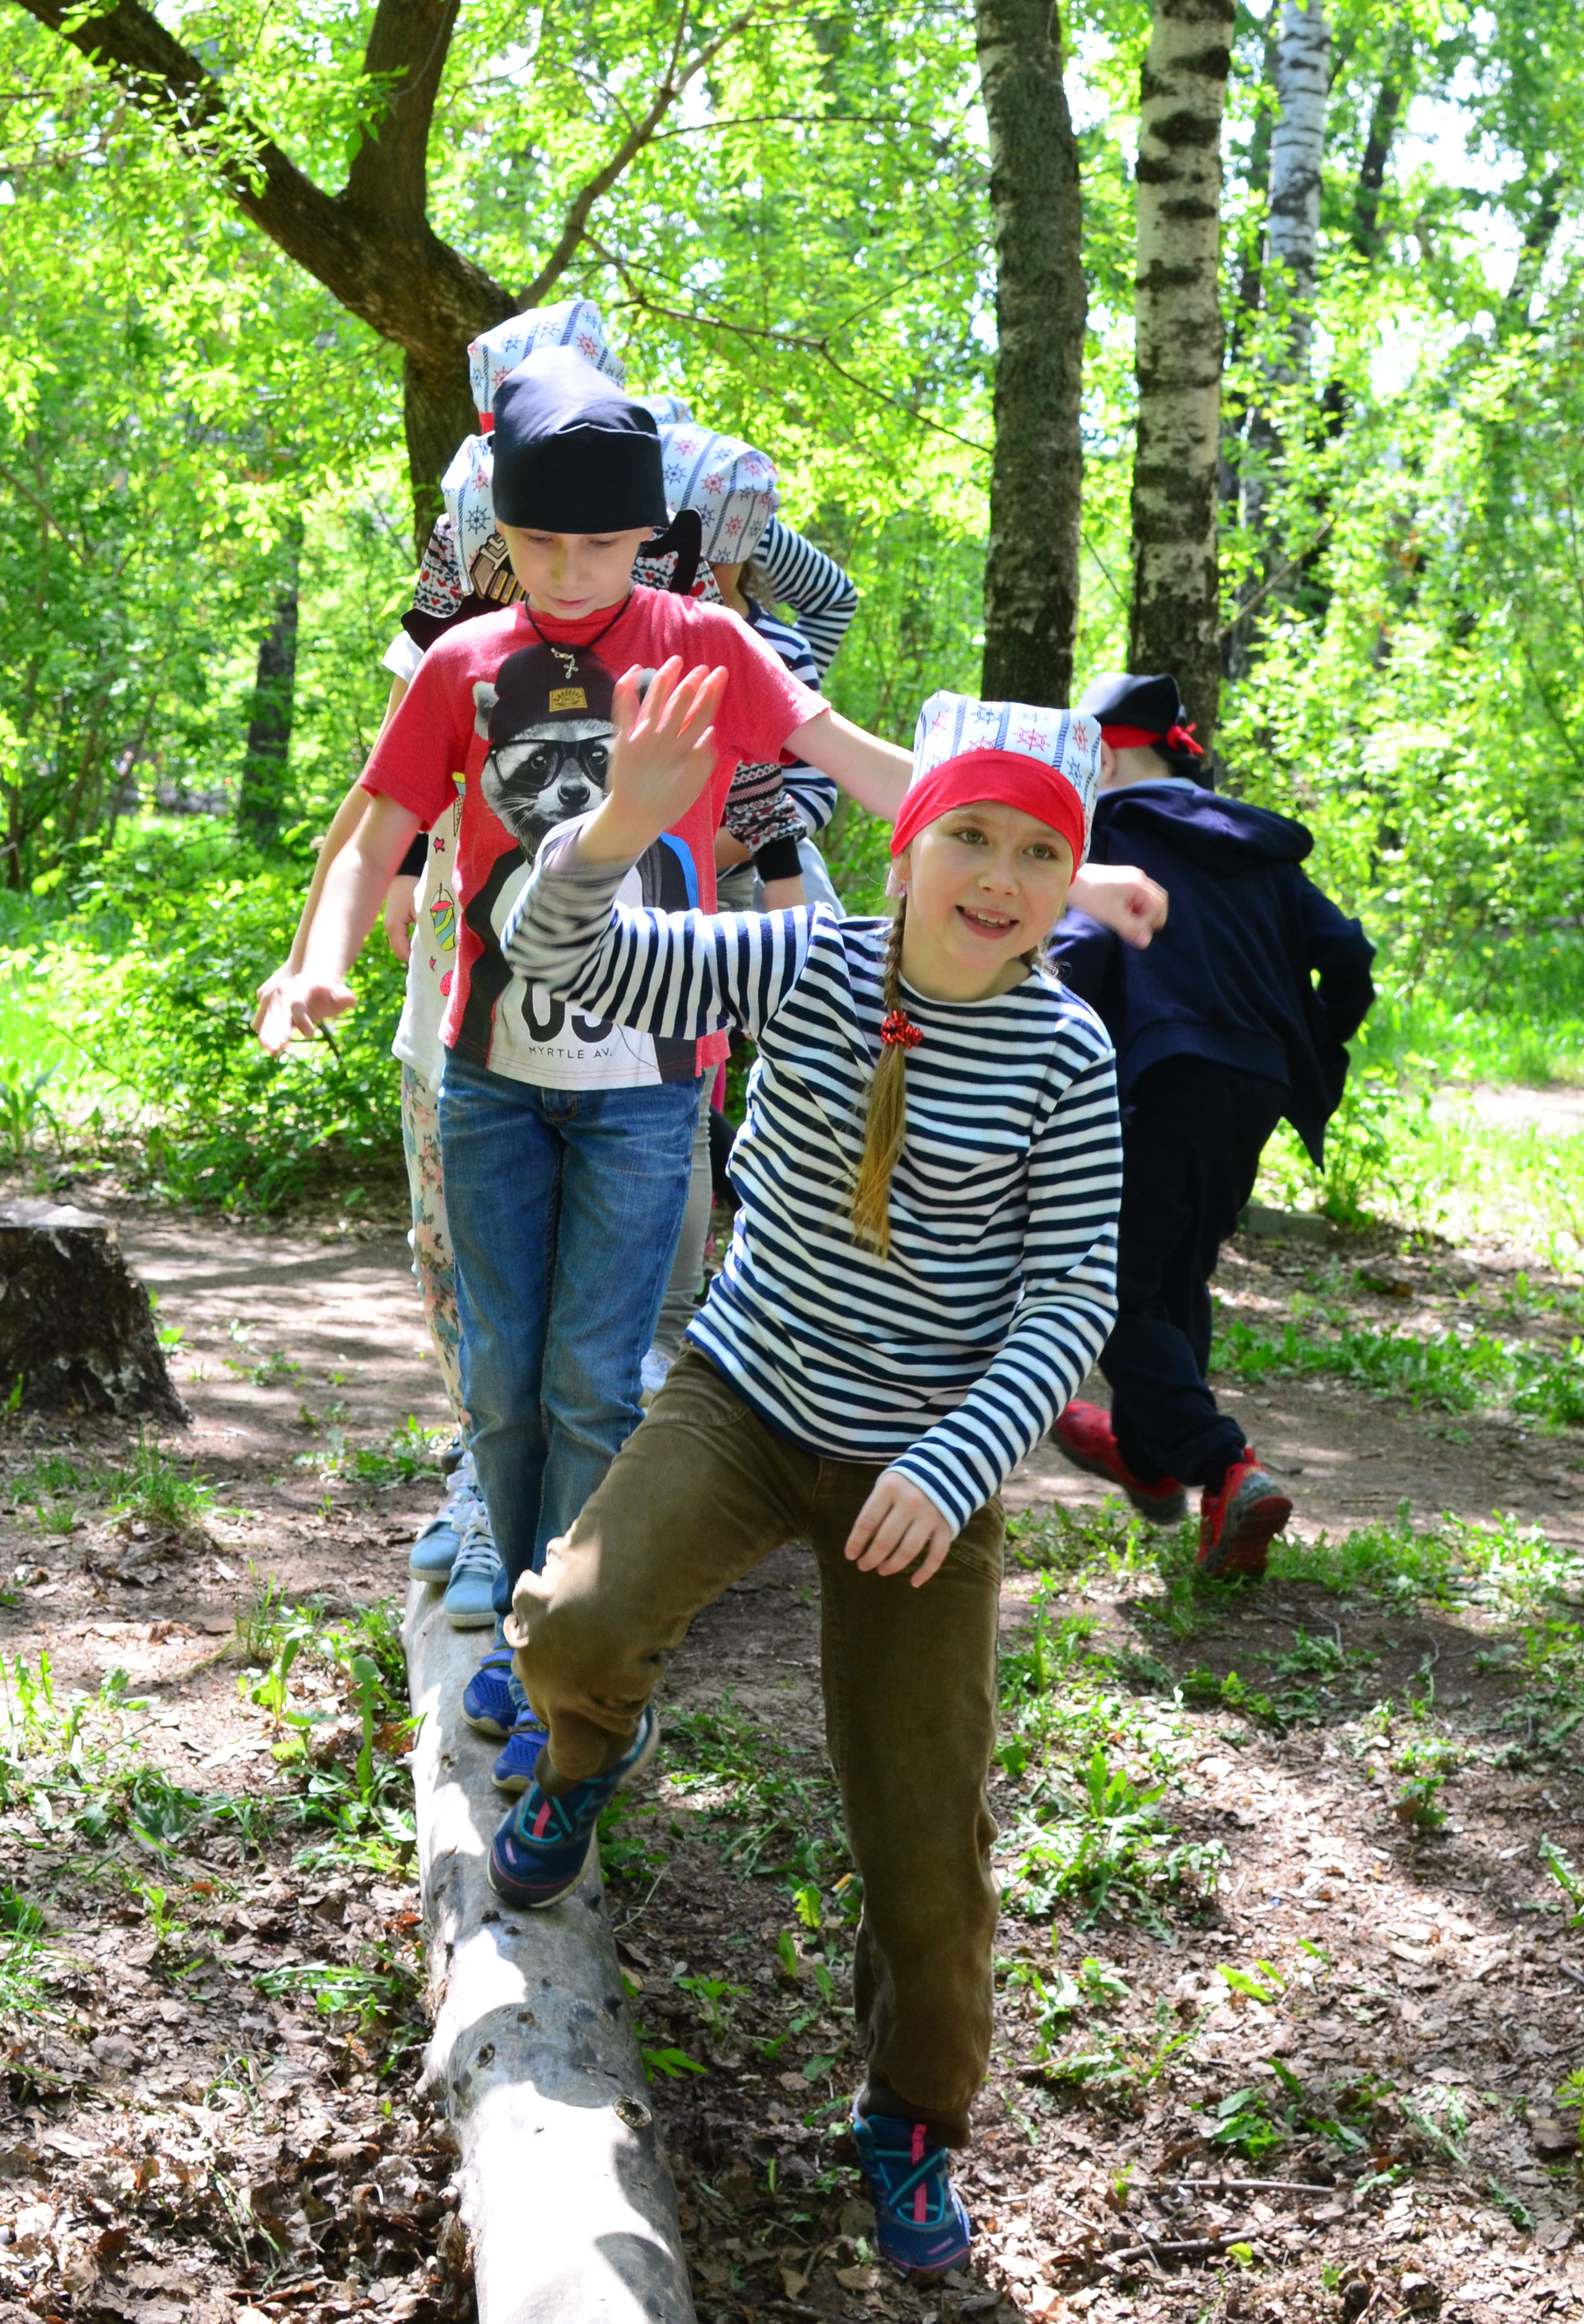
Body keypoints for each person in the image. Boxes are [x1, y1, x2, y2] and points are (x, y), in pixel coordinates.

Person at [485, 669, 1122, 2279]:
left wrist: (960, 1452)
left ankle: (909, 2114)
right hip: (749, 1395)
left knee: (926, 1843)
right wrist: (621, 824)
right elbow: (562, 960)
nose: (998, 879)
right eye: (966, 835)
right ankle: (584, 1753)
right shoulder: (808, 959)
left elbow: (1071, 1297)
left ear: (1071, 879)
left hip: (925, 1464)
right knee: (567, 1620)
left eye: (1038, 854)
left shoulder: (1067, 1051)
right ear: (906, 844)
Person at [261, 345, 934, 1802]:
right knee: (500, 1377)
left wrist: (1016, 818)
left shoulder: (702, 643)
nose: (567, 571)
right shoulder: (462, 662)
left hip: (647, 1076)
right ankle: (517, 1590)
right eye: (537, 542)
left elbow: (846, 754)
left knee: (590, 1378)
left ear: (650, 538)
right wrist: (316, 953)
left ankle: (549, 1633)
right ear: (497, 538)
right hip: (488, 1068)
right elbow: (380, 827)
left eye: (599, 543)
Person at [1046, 670, 1376, 1578]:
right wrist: (1310, 1040)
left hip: (1158, 1075)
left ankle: (1224, 1466)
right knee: (1175, 1268)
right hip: (1258, 1083)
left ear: (1107, 752)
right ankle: (1151, 1459)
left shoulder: (1111, 839)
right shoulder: (1261, 846)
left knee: (1107, 1288)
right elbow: (1348, 957)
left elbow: (1075, 962)